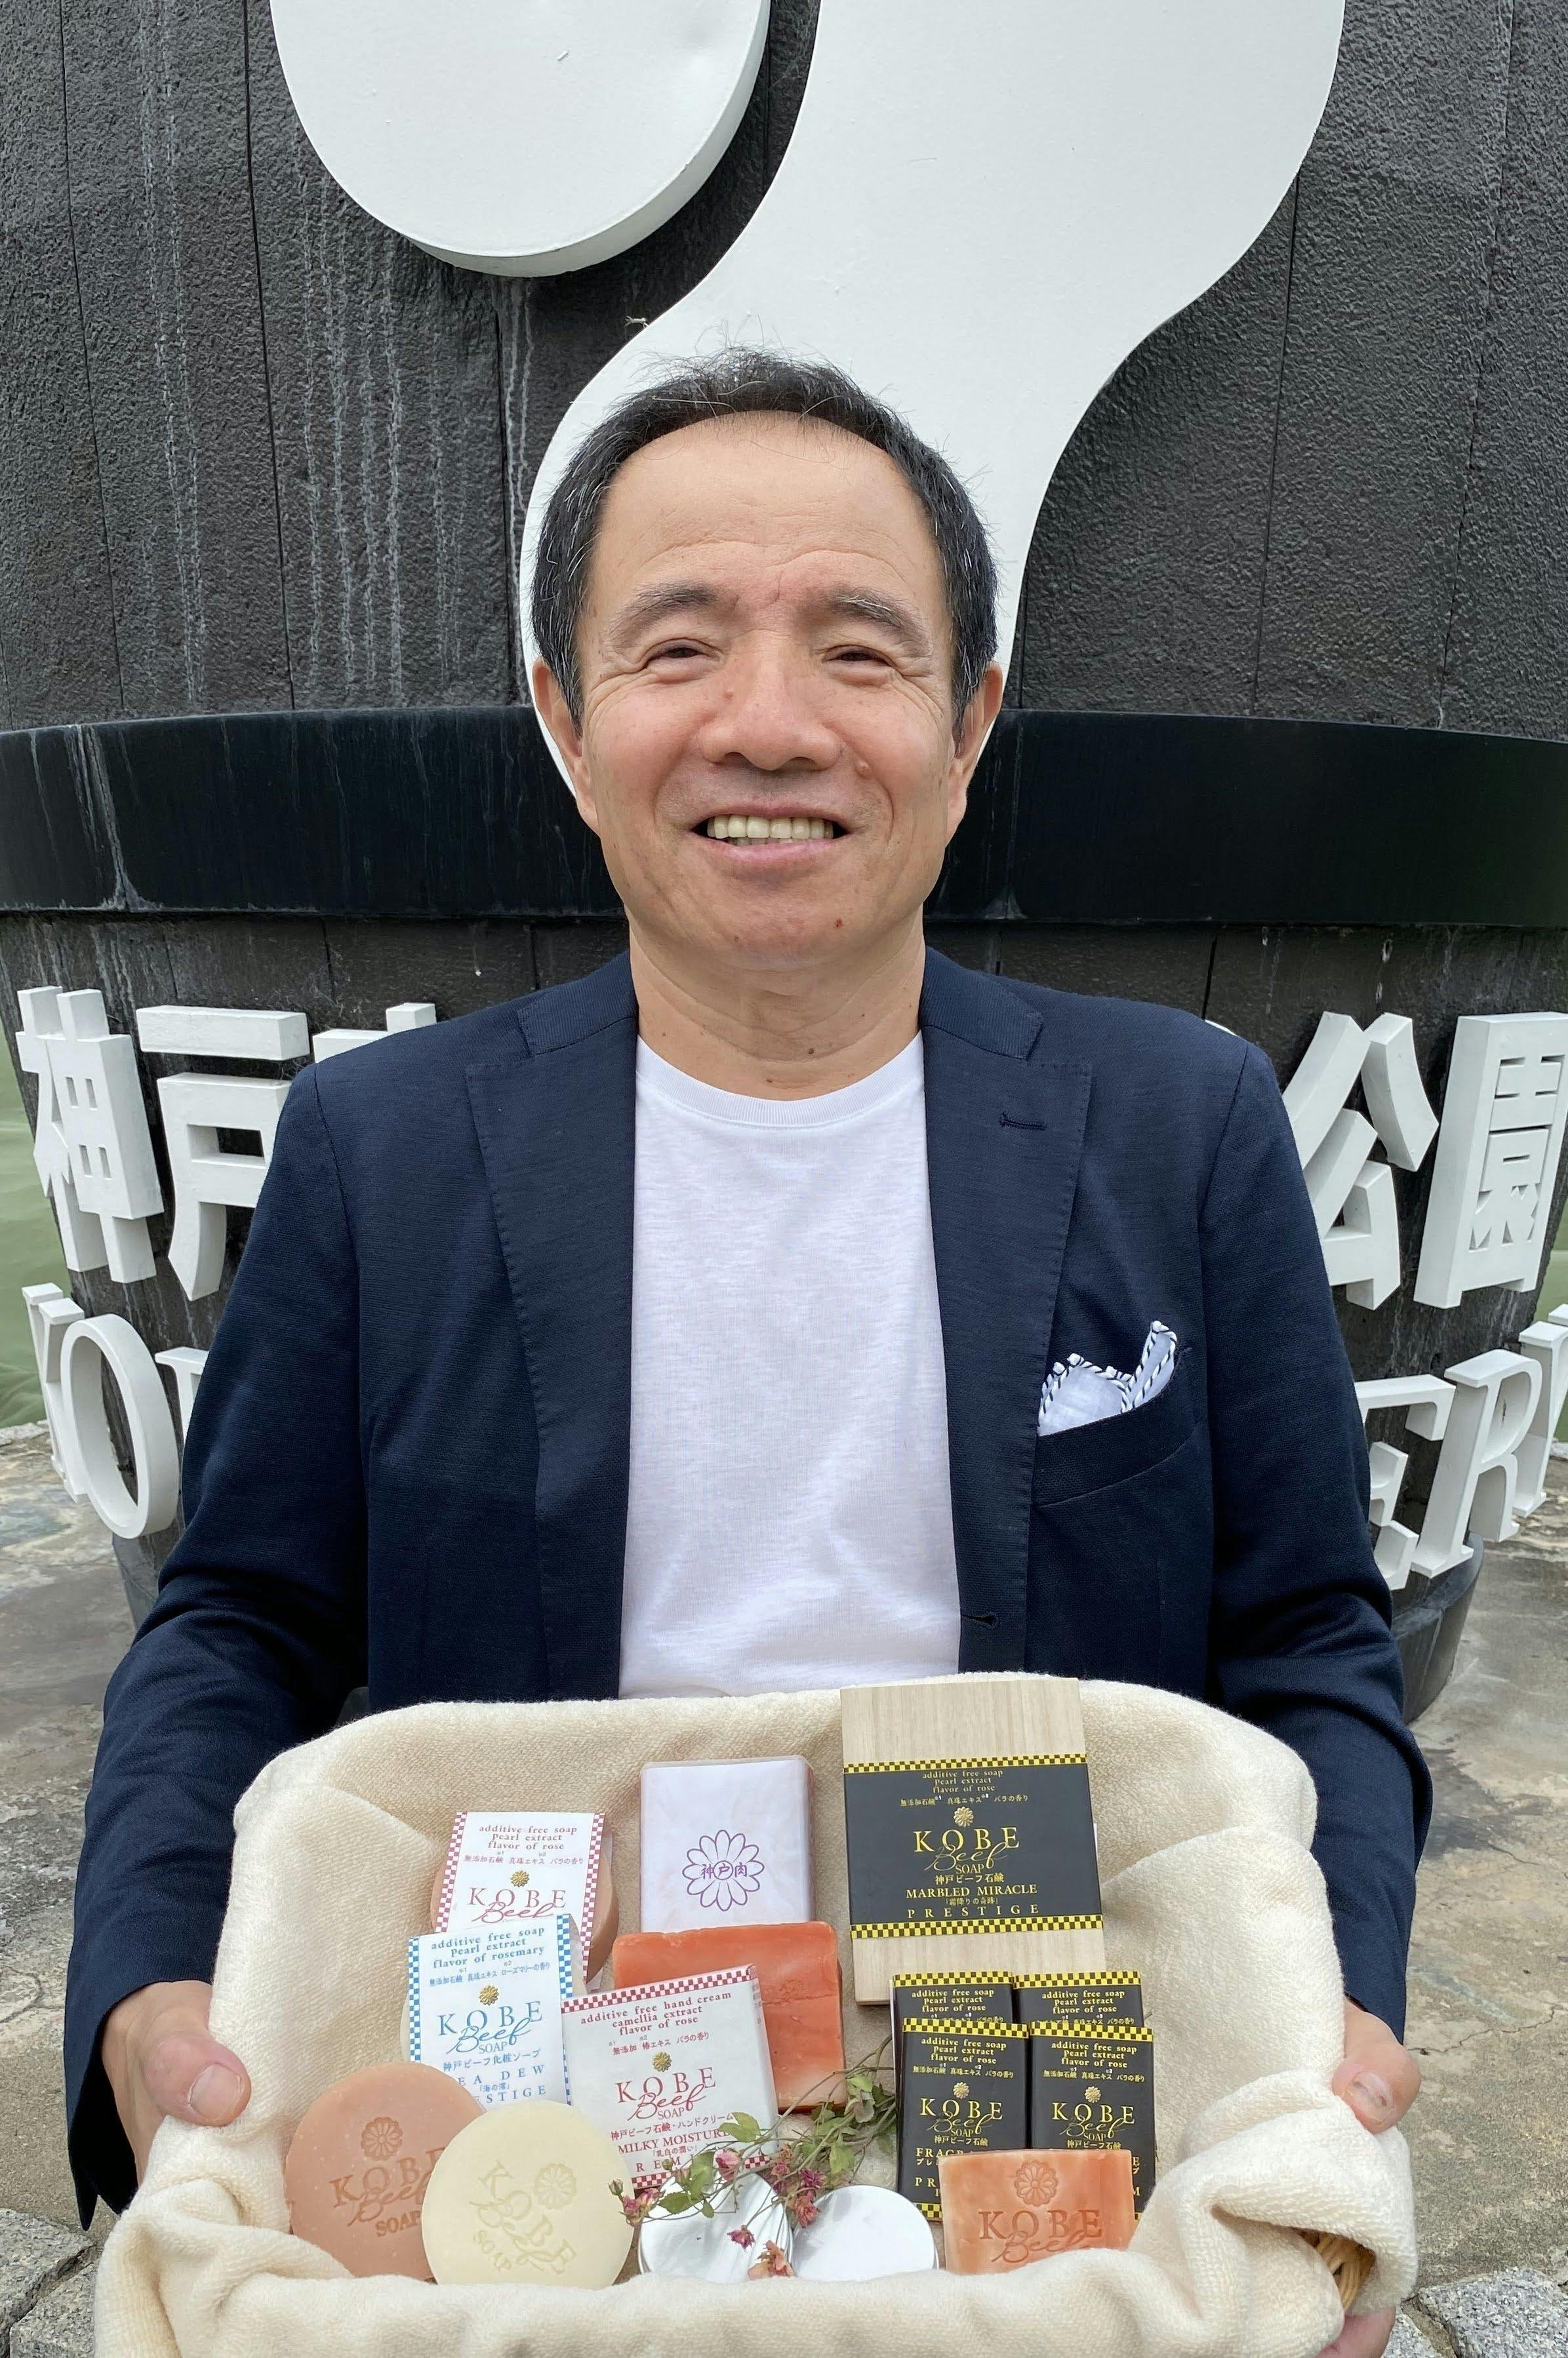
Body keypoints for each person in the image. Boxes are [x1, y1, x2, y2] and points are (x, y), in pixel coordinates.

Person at [67, 351, 1427, 2356]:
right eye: (681, 643)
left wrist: (1334, 2009)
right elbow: (240, 1619)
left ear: (968, 726)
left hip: (1039, 2096)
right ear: (567, 719)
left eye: (858, 649)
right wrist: (142, 1979)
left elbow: (1306, 1630)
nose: (769, 721)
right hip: (553, 2121)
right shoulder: (388, 1150)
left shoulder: (1181, 1125)